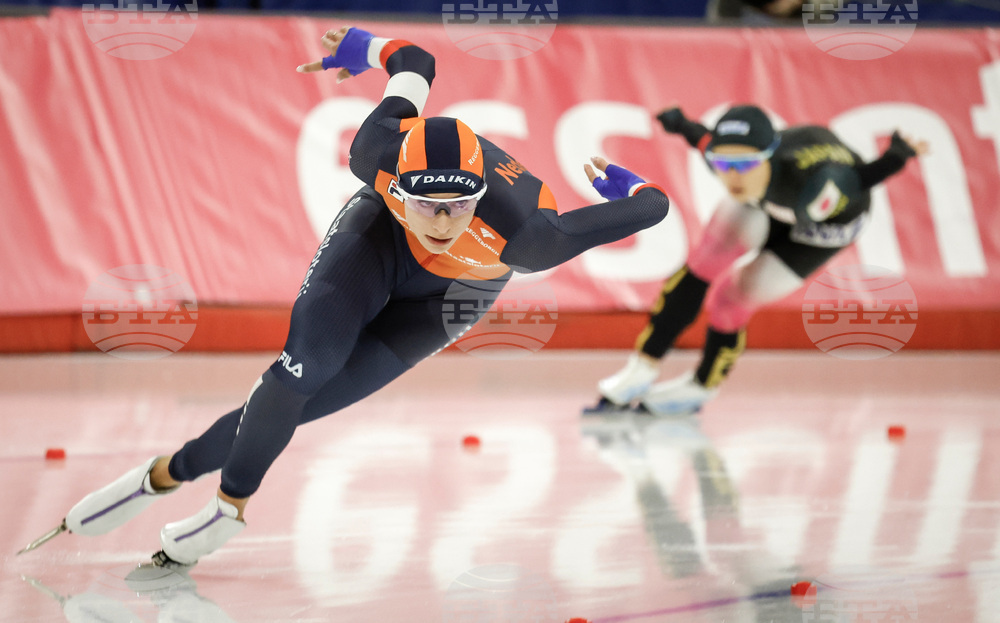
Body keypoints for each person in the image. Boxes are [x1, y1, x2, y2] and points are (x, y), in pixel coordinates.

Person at [22, 26, 669, 567]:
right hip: (379, 240)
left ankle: (173, 475)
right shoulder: (375, 150)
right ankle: (227, 504)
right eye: (427, 203)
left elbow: (654, 206)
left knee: (305, 405)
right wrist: (361, 46)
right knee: (300, 370)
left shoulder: (531, 237)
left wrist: (629, 186)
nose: (443, 221)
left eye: (459, 205)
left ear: (480, 196)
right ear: (397, 180)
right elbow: (416, 60)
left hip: (455, 291)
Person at [590, 104, 926, 416]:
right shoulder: (726, 158)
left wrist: (898, 154)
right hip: (766, 198)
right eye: (724, 165)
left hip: (822, 222)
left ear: (767, 157)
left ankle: (703, 385)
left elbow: (864, 177)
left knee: (733, 298)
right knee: (703, 263)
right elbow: (702, 138)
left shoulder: (816, 185)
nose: (733, 177)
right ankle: (643, 366)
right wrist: (679, 123)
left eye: (745, 165)